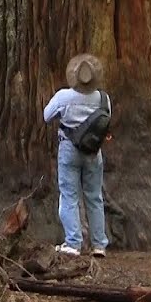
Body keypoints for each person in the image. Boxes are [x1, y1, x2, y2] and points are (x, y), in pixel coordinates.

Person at [42, 53, 111, 257]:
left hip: (69, 149)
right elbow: (106, 122)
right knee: (94, 197)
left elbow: (47, 116)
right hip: (94, 152)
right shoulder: (103, 98)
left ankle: (73, 243)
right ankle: (99, 244)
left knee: (69, 195)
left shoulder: (64, 96)